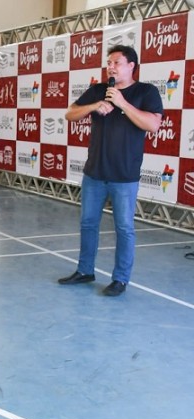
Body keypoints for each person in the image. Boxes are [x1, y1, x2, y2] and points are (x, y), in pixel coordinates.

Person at [58, 45, 163, 296]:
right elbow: (70, 114)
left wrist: (122, 103)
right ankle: (85, 271)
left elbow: (153, 125)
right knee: (88, 223)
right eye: (109, 62)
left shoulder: (146, 91)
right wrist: (94, 106)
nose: (111, 66)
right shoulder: (98, 90)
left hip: (124, 175)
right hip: (94, 172)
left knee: (124, 228)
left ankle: (120, 279)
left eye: (117, 62)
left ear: (131, 66)